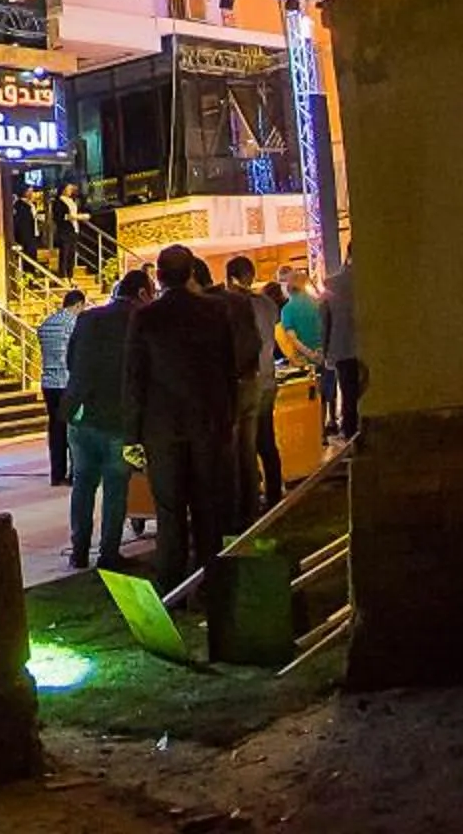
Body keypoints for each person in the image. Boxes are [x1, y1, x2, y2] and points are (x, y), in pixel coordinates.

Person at [125, 246, 255, 592]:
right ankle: (212, 583)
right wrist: (228, 416)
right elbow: (228, 368)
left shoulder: (146, 317)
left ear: (159, 276)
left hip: (163, 428)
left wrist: (132, 434)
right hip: (208, 424)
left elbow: (135, 377)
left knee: (170, 513)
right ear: (191, 274)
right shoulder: (215, 311)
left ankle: (172, 586)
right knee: (208, 508)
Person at [63, 266, 153, 570]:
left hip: (82, 414)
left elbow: (70, 360)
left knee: (83, 483)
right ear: (142, 293)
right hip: (118, 417)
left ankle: (78, 551)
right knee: (116, 487)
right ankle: (108, 553)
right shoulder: (140, 321)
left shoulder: (88, 318)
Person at [222, 256, 284, 521]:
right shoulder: (267, 304)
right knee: (266, 441)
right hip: (268, 379)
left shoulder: (234, 306)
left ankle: (247, 504)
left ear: (230, 278)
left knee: (243, 448)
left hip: (247, 382)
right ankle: (274, 496)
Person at [277, 262, 334, 441]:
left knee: (310, 398)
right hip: (324, 354)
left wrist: (310, 354)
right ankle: (327, 427)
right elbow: (326, 327)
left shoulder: (287, 310)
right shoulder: (317, 304)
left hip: (304, 361)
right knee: (325, 394)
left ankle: (315, 434)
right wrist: (320, 352)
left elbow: (293, 338)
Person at [36, 287, 84, 485]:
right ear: (78, 305)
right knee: (72, 428)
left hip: (48, 383)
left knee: (55, 428)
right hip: (67, 382)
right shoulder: (74, 323)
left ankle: (57, 473)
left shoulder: (46, 324)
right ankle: (74, 473)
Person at [326, 254, 363, 440]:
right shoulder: (371, 280)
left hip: (343, 347)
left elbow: (325, 320)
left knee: (348, 395)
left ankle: (351, 433)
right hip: (368, 345)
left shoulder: (331, 283)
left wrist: (327, 351)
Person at [54, 181, 88, 278]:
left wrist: (79, 216)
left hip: (74, 228)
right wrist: (75, 217)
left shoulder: (72, 200)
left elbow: (75, 213)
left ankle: (70, 276)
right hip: (65, 230)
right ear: (63, 190)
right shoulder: (58, 201)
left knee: (72, 253)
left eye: (71, 189)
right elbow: (59, 217)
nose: (70, 191)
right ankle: (63, 275)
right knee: (65, 253)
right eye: (69, 189)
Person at [10, 185, 43, 267]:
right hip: (25, 235)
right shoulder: (19, 205)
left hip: (33, 233)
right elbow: (18, 221)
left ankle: (32, 271)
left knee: (33, 254)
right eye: (29, 191)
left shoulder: (32, 204)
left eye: (32, 191)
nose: (32, 193)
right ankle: (27, 272)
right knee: (27, 255)